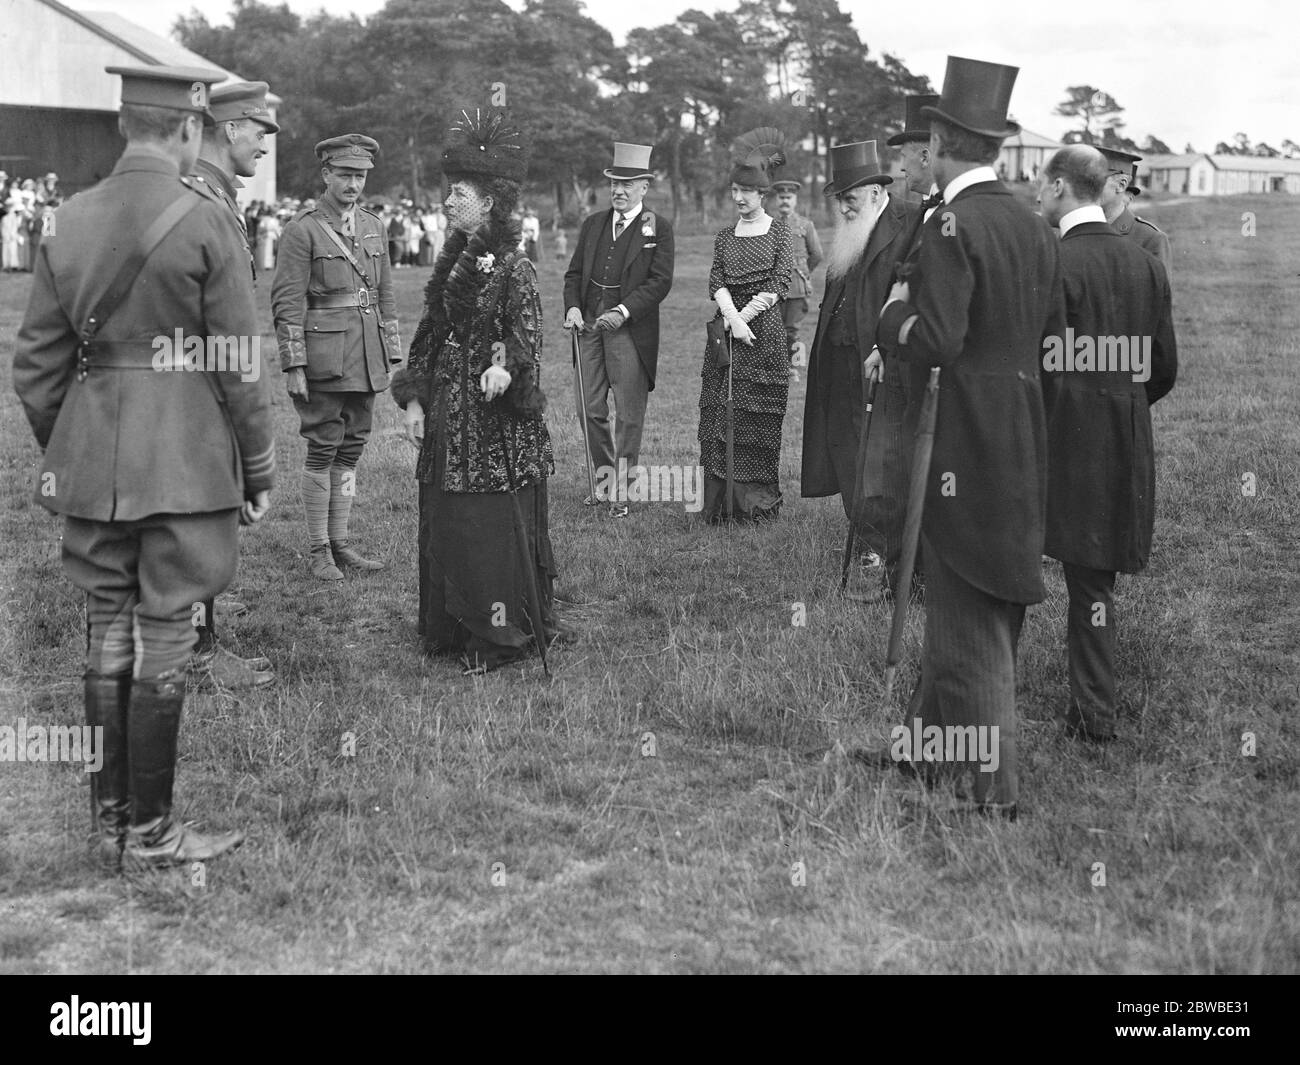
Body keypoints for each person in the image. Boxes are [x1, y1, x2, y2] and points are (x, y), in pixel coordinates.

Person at [12, 64, 275, 868]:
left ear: (124, 125)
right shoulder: (206, 221)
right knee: (164, 630)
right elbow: (237, 363)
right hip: (186, 465)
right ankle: (154, 831)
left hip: (94, 464)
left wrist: (81, 444)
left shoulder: (67, 219)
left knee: (104, 628)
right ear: (191, 128)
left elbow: (36, 369)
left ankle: (113, 823)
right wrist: (257, 466)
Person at [873, 56, 1066, 819]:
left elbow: (940, 338)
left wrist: (891, 315)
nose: (921, 154)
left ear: (948, 139)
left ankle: (997, 792)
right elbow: (1052, 342)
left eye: (926, 141)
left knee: (969, 614)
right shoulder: (1031, 222)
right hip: (1021, 435)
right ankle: (924, 752)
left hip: (964, 443)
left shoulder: (952, 223)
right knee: (975, 599)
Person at [391, 110, 559, 673]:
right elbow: (427, 341)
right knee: (449, 521)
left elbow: (527, 333)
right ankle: (450, 628)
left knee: (486, 528)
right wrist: (414, 401)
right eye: (450, 192)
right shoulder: (451, 264)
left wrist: (504, 367)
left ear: (489, 204)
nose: (448, 202)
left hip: (492, 429)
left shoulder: (515, 266)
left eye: (459, 193)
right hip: (448, 422)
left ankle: (498, 637)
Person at [1036, 145, 1177, 742]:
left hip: (1063, 438)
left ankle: (983, 698)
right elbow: (1163, 368)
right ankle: (1095, 711)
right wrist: (1120, 399)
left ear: (1065, 186)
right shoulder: (1143, 262)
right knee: (1093, 581)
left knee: (1022, 569)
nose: (1037, 194)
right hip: (1123, 435)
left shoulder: (1052, 263)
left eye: (1043, 185)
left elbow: (1038, 366)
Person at [272, 133, 402, 581]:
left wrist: (392, 352)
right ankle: (317, 548)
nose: (352, 183)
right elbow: (287, 302)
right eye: (344, 174)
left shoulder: (374, 226)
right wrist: (293, 364)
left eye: (360, 175)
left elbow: (385, 293)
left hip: (366, 357)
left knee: (350, 451)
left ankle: (341, 541)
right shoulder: (301, 229)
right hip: (324, 358)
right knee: (322, 448)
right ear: (326, 174)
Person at [190, 80, 280, 690]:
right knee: (194, 516)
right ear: (228, 129)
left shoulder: (213, 193)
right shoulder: (203, 199)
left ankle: (206, 614)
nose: (264, 145)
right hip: (198, 389)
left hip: (194, 382)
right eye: (258, 131)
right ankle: (197, 651)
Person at [800, 139, 916, 584]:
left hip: (883, 363)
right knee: (847, 448)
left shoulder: (908, 222)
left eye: (849, 199)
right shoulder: (851, 226)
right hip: (840, 362)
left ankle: (882, 546)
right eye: (840, 200)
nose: (844, 208)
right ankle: (863, 535)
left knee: (880, 456)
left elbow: (909, 293)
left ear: (873, 191)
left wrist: (884, 346)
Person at [563, 142, 675, 517]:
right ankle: (604, 480)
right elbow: (574, 275)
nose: (619, 191)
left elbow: (659, 282)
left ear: (645, 186)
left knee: (628, 415)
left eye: (629, 185)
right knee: (589, 409)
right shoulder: (593, 224)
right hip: (589, 327)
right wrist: (574, 307)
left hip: (630, 331)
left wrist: (624, 311)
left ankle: (621, 491)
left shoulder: (658, 227)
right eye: (614, 183)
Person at [699, 129, 794, 522]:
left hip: (762, 335)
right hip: (726, 335)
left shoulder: (780, 233)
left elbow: (779, 283)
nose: (739, 198)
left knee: (756, 417)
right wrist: (730, 318)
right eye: (735, 190)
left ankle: (753, 505)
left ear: (763, 195)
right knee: (719, 412)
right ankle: (720, 504)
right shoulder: (724, 237)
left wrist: (743, 319)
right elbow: (715, 281)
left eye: (747, 192)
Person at [768, 178, 822, 379]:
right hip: (773, 287)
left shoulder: (805, 225)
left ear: (795, 200)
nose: (784, 201)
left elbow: (816, 254)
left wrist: (804, 272)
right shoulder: (768, 224)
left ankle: (794, 368)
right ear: (776, 200)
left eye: (788, 198)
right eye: (781, 197)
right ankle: (776, 367)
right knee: (774, 329)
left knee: (793, 330)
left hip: (796, 286)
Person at [1099, 147, 1172, 273]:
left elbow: (1159, 291)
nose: (1084, 188)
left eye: (1096, 181)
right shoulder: (1074, 230)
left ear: (1121, 185)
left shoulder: (1150, 239)